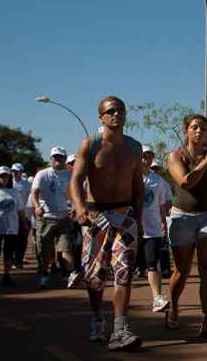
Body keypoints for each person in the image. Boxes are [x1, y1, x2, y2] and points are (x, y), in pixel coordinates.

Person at [71, 95, 143, 350]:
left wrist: (139, 220)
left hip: (125, 215)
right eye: (111, 111)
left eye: (121, 110)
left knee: (124, 271)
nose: (117, 114)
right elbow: (76, 181)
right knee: (95, 276)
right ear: (101, 117)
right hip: (95, 215)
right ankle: (97, 319)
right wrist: (80, 208)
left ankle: (120, 329)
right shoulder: (90, 144)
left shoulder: (135, 148)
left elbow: (138, 187)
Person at [166, 113, 207, 338]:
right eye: (194, 127)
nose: (199, 131)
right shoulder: (176, 156)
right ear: (186, 131)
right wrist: (206, 162)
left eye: (203, 128)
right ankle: (173, 309)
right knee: (181, 271)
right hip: (182, 217)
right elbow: (185, 182)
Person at [31, 147, 76, 288]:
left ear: (65, 158)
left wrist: (74, 209)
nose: (58, 160)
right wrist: (37, 206)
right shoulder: (43, 174)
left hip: (64, 217)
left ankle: (72, 275)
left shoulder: (70, 175)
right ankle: (44, 276)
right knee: (44, 251)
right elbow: (35, 193)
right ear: (51, 159)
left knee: (66, 248)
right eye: (55, 157)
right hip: (46, 218)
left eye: (61, 157)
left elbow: (73, 195)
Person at [138, 145, 171, 312]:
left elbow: (164, 206)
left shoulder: (160, 181)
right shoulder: (130, 178)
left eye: (150, 156)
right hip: (131, 230)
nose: (147, 159)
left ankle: (157, 297)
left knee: (153, 265)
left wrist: (163, 226)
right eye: (144, 155)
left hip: (152, 231)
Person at [151, 158, 173, 279]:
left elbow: (169, 201)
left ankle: (165, 268)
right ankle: (144, 268)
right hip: (147, 219)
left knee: (163, 244)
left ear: (160, 170)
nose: (154, 171)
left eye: (156, 168)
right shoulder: (142, 180)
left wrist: (162, 212)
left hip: (161, 218)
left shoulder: (164, 183)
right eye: (152, 168)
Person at [11, 163, 31, 269]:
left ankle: (19, 260)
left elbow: (30, 201)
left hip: (24, 216)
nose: (14, 173)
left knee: (22, 240)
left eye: (17, 171)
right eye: (13, 171)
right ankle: (13, 260)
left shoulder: (27, 184)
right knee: (12, 239)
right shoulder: (9, 183)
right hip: (10, 217)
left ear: (21, 172)